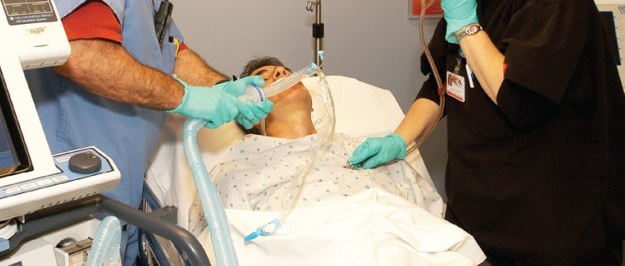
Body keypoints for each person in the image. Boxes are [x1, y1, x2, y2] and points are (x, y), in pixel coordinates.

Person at [348, 0, 625, 264]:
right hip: (477, 222)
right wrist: (400, 139)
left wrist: (469, 27)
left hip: (549, 230)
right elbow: (441, 86)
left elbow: (519, 103)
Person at [25, 0, 272, 265]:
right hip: (72, 190)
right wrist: (185, 98)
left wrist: (226, 87)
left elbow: (170, 50)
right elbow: (82, 55)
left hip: (113, 190)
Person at [187, 56, 486, 265]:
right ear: (250, 113)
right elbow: (220, 244)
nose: (280, 73)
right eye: (265, 78)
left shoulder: (369, 151)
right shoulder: (238, 168)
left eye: (284, 70)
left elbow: (428, 220)